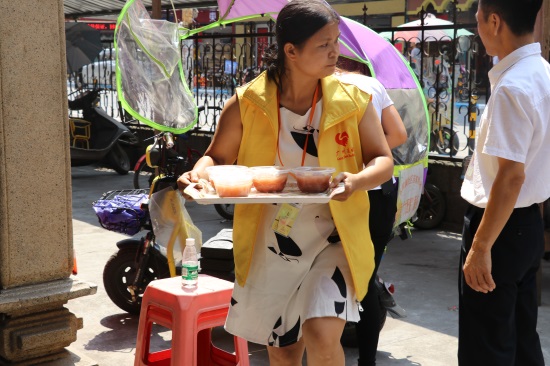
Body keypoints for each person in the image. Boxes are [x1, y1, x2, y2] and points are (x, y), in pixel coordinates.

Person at [178, 1, 394, 364]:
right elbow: (216, 157)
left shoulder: (354, 99)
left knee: (323, 334)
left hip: (335, 237)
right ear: (291, 51)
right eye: (324, 44)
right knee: (283, 349)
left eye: (336, 41)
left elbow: (384, 160)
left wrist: (356, 181)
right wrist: (199, 173)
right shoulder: (247, 102)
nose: (335, 52)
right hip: (271, 239)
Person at [459, 0, 550, 365]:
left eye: (477, 19)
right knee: (522, 336)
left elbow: (511, 177)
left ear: (494, 21)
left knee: (489, 344)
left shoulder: (513, 85)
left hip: (500, 227)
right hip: (525, 225)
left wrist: (481, 247)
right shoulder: (541, 71)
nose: (477, 28)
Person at [336, 66, 407, 366]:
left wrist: (351, 161)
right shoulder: (371, 85)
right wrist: (370, 159)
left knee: (329, 280)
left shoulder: (324, 85)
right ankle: (367, 361)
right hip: (380, 194)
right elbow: (399, 134)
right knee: (365, 281)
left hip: (344, 194)